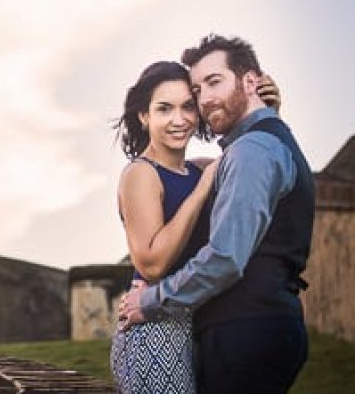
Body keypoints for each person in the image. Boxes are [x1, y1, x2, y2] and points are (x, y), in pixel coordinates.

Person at [117, 34, 314, 394]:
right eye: (164, 109)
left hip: (192, 322)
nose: (181, 118)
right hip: (157, 328)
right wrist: (203, 188)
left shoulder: (214, 164)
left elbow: (266, 170)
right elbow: (151, 265)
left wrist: (268, 112)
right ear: (143, 116)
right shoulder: (141, 173)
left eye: (187, 105)